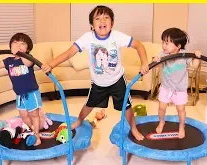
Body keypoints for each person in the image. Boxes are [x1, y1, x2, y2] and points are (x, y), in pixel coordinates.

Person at [41, 5, 149, 141]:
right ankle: (79, 120)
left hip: (117, 80)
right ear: (92, 25)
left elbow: (138, 45)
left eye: (106, 18)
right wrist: (51, 64)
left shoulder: (117, 36)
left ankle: (133, 128)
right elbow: (69, 52)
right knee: (89, 104)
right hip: (98, 83)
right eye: (97, 19)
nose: (102, 21)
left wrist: (144, 62)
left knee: (126, 107)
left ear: (112, 23)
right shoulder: (87, 38)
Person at [0, 33, 42, 146]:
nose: (18, 45)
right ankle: (31, 130)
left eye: (22, 44)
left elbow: (28, 63)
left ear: (28, 48)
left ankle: (37, 135)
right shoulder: (9, 61)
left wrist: (21, 53)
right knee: (24, 116)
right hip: (19, 94)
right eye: (15, 43)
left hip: (31, 92)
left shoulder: (28, 58)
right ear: (10, 46)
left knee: (34, 115)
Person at [153, 27, 202, 139]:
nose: (164, 46)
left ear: (178, 46)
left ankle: (181, 126)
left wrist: (197, 56)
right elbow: (156, 62)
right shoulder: (163, 54)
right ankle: (161, 122)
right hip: (166, 87)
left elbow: (194, 65)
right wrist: (156, 59)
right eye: (163, 42)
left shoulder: (184, 55)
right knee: (161, 107)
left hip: (180, 89)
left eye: (167, 43)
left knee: (180, 109)